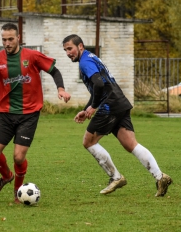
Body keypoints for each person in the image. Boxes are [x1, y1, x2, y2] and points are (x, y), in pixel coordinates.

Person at [0, 23, 71, 203]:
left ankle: (18, 189)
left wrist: (61, 89)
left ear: (19, 38)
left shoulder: (32, 56)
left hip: (29, 114)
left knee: (18, 156)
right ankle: (7, 176)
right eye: (4, 39)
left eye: (11, 39)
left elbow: (54, 71)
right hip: (6, 114)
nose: (7, 43)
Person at [62, 34, 172, 196]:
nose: (68, 53)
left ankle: (115, 177)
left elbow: (99, 84)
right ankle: (160, 176)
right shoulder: (91, 57)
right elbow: (100, 87)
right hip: (119, 101)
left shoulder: (85, 62)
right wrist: (87, 110)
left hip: (110, 105)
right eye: (65, 50)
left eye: (70, 48)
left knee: (88, 142)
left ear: (80, 46)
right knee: (131, 144)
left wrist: (93, 107)